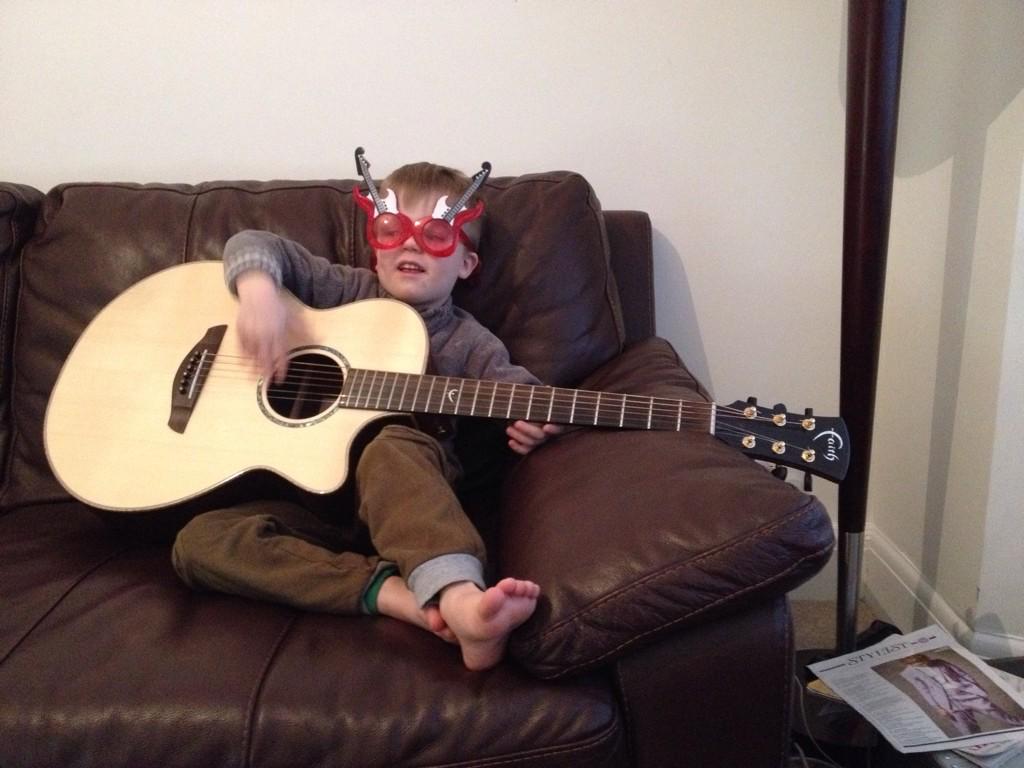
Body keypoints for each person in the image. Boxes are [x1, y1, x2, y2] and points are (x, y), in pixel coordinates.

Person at [172, 150, 562, 670]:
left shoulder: (469, 343)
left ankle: (459, 600)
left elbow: (523, 392)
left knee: (392, 445)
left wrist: (538, 422)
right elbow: (252, 243)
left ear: (466, 264)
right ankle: (400, 597)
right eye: (392, 231)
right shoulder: (346, 291)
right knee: (198, 543)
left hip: (408, 496)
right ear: (374, 249)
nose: (410, 244)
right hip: (316, 504)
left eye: (436, 236)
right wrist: (258, 292)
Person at [897, 653, 1024, 736]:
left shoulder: (939, 662)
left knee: (993, 711)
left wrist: (976, 689)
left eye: (923, 661)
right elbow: (924, 691)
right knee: (967, 729)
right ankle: (981, 746)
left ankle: (1020, 723)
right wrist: (937, 707)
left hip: (966, 693)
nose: (923, 665)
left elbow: (962, 673)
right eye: (917, 664)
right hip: (947, 702)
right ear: (909, 663)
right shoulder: (909, 673)